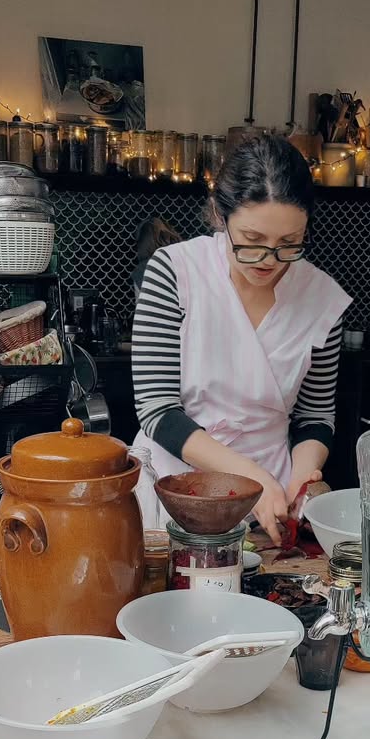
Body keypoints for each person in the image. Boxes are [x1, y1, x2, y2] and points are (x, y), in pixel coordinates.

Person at [131, 135, 350, 542]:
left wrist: (301, 480)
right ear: (220, 214)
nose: (269, 260)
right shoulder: (175, 272)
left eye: (289, 244)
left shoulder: (323, 300)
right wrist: (250, 477)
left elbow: (315, 416)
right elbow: (157, 410)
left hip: (271, 502)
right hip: (176, 488)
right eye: (252, 241)